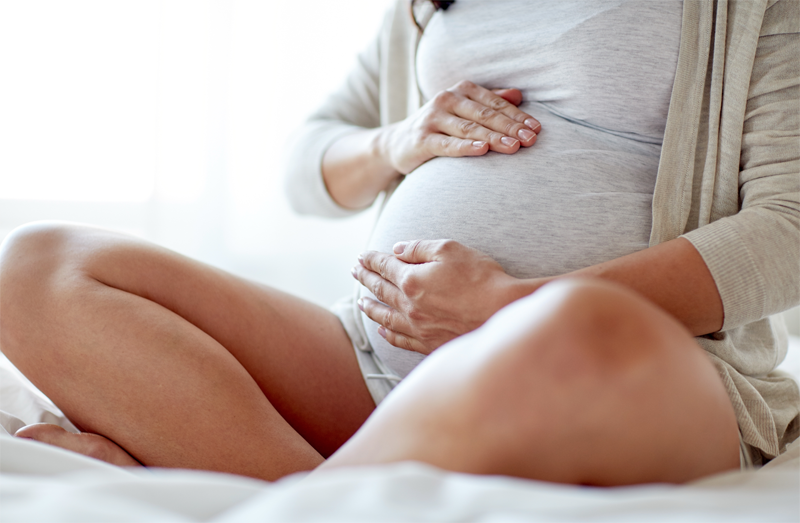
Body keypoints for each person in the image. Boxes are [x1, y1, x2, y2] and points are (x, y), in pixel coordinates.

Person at [0, 0, 797, 485]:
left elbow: (786, 230)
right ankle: (317, 492)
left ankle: (274, 497)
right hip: (376, 362)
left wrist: (510, 306)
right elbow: (303, 165)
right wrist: (398, 140)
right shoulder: (430, 5)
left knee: (579, 324)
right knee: (37, 266)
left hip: (630, 371)